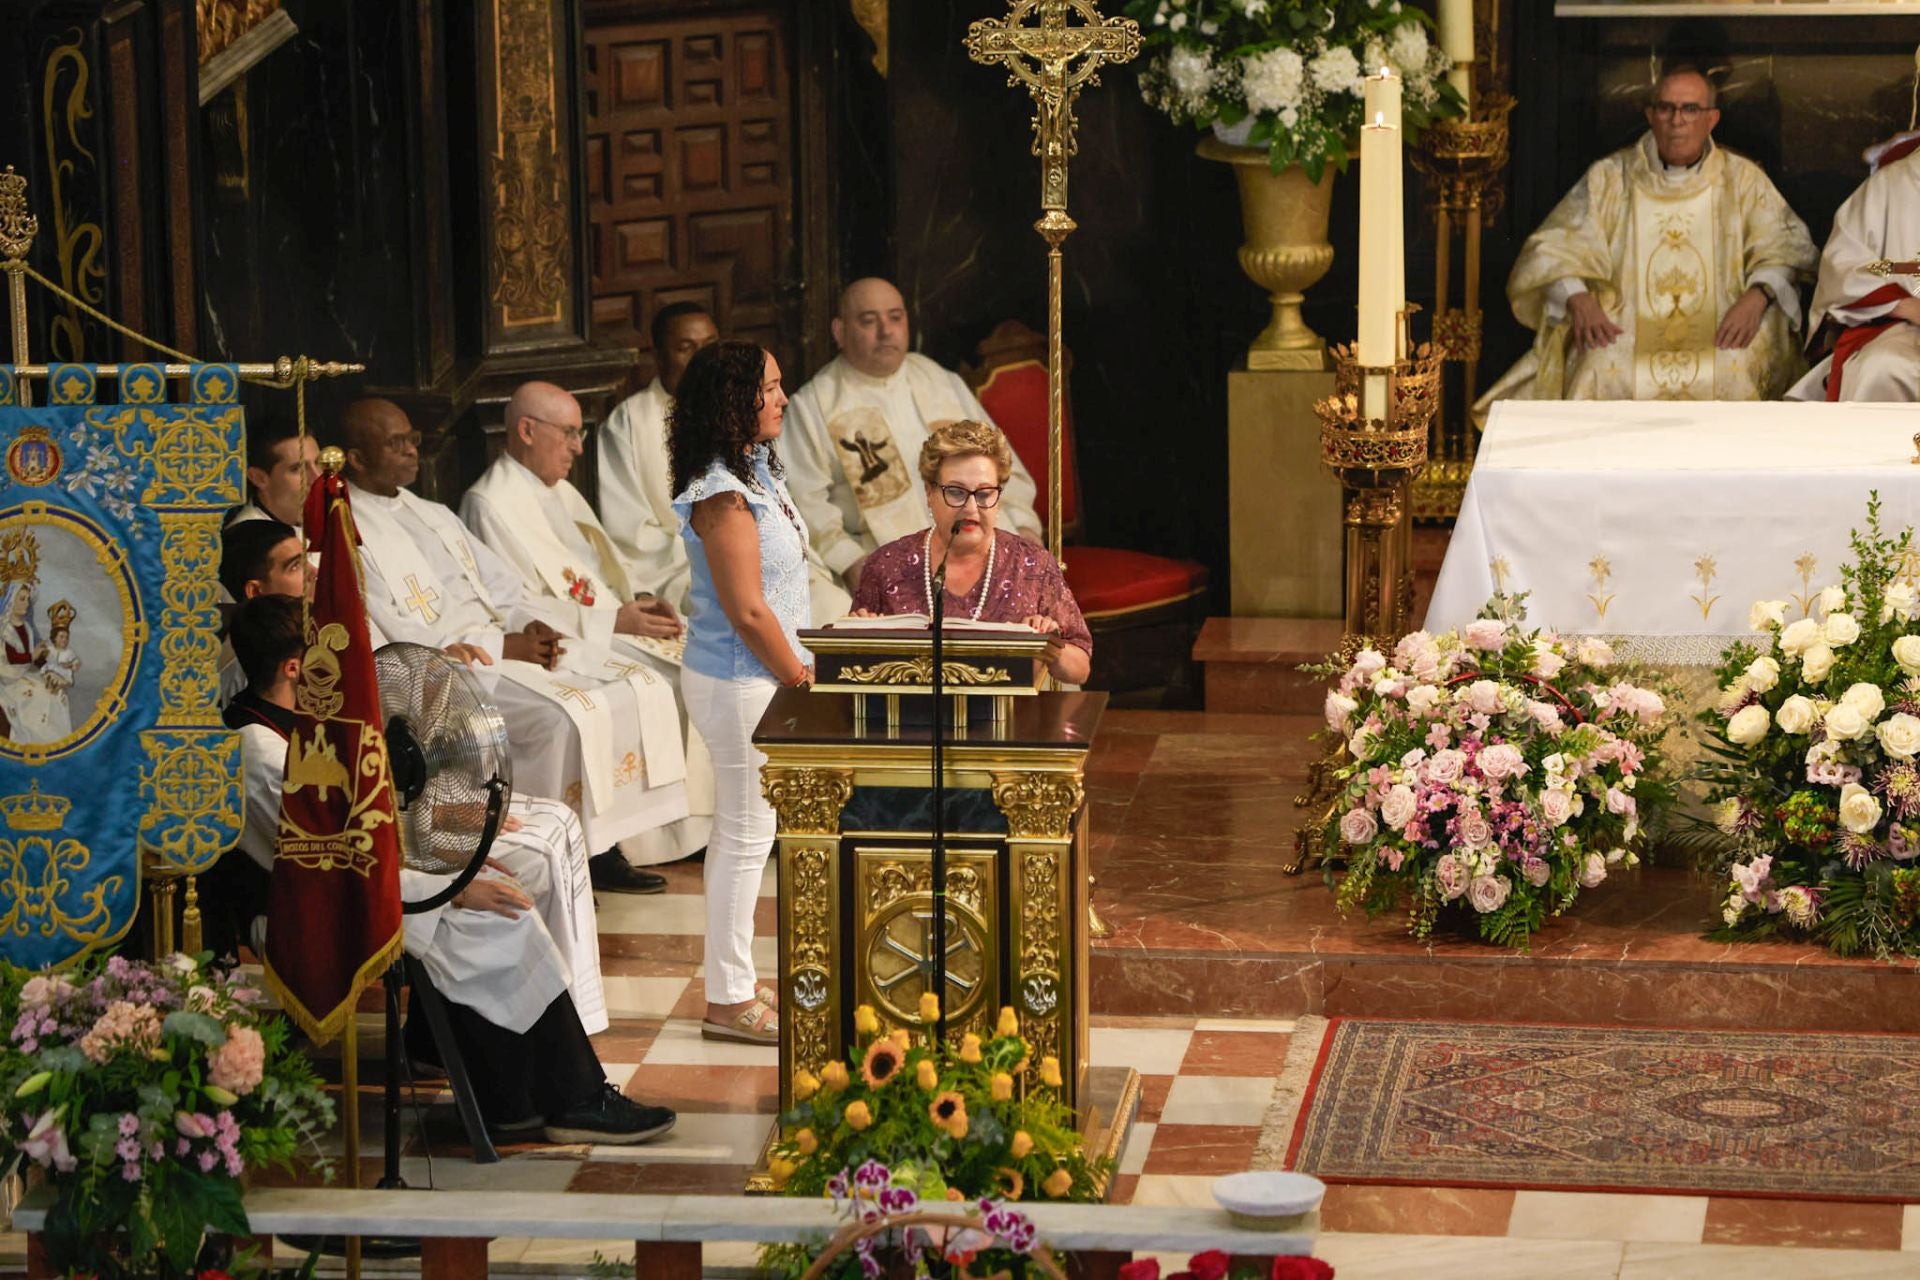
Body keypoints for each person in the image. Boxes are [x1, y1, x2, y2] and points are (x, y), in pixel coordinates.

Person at [221, 595, 662, 1140]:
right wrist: (452, 891)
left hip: (360, 882)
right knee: (498, 919)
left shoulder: (305, 721)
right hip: (313, 905)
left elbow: (370, 816)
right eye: (328, 655)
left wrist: (454, 852)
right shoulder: (262, 752)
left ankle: (498, 1082)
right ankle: (565, 1099)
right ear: (294, 668)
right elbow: (329, 859)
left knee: (499, 891)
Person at [337, 397, 684, 895]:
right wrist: (505, 646)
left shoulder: (430, 512)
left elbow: (503, 590)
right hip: (456, 668)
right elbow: (401, 634)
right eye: (396, 443)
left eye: (413, 439)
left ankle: (601, 847)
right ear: (355, 457)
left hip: (498, 643)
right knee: (559, 719)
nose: (412, 451)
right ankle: (545, 859)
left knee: (631, 690)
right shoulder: (350, 531)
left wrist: (532, 627)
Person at [461, 379, 709, 865]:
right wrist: (613, 620)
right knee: (669, 681)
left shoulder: (560, 490)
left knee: (702, 665)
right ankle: (647, 838)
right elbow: (515, 605)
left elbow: (603, 566)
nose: (578, 447)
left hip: (606, 622)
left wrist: (639, 598)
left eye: (580, 434)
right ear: (527, 431)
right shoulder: (489, 503)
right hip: (568, 638)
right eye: (569, 433)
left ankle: (698, 827)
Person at [1479, 65, 1816, 405]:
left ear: (1711, 119)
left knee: (1734, 367)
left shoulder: (1742, 179)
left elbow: (1786, 245)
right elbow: (1551, 248)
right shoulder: (1610, 177)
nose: (1677, 120)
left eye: (1690, 109)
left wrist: (1757, 296)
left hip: (1721, 323)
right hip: (1623, 327)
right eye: (1666, 108)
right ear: (1650, 115)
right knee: (1598, 364)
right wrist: (1577, 298)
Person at [670, 340, 813, 1045]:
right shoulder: (720, 495)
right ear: (734, 400)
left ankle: (738, 981)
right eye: (771, 387)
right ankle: (727, 999)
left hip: (761, 676)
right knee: (747, 834)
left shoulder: (752, 472)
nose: (783, 397)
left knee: (751, 831)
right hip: (739, 681)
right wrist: (799, 676)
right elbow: (749, 611)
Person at [784, 278, 1043, 594]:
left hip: (987, 552)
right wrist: (850, 562)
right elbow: (806, 502)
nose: (886, 331)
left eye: (895, 317)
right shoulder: (814, 405)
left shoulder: (940, 381)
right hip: (891, 569)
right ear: (839, 332)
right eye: (869, 320)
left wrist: (1024, 524)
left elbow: (999, 461)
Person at [599, 304, 851, 624]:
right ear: (659, 357)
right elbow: (632, 531)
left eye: (709, 344)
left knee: (833, 603)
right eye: (685, 348)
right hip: (687, 567)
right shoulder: (630, 422)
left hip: (764, 553)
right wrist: (728, 550)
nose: (701, 357)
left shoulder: (746, 411)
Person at [850, 420, 1091, 686]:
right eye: (956, 492)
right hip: (908, 712)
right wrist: (859, 637)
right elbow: (853, 668)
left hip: (1012, 712)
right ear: (929, 492)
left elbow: (1081, 668)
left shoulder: (1033, 565)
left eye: (984, 494)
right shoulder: (886, 565)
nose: (971, 508)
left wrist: (1049, 646)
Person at [1786, 144, 1920, 401]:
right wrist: (1906, 306)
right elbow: (1844, 266)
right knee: (1884, 368)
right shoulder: (1890, 185)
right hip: (1905, 328)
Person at [229, 419, 320, 528]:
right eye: (298, 468)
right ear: (259, 478)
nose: (317, 478)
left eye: (318, 463)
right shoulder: (249, 534)